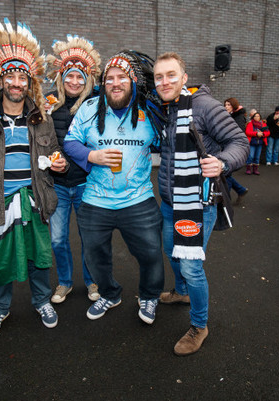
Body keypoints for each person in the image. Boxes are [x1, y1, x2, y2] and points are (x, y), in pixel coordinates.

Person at [0, 16, 67, 338]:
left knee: (39, 256)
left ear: (29, 82)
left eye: (21, 77)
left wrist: (60, 165)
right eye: (10, 76)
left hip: (33, 196)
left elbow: (55, 154)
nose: (16, 83)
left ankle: (42, 301)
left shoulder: (41, 118)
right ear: (1, 80)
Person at [153, 52, 248, 356]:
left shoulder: (204, 106)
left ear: (184, 78)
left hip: (196, 203)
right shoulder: (166, 109)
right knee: (172, 252)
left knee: (191, 267)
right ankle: (181, 293)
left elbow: (240, 143)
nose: (164, 81)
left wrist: (221, 162)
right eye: (159, 77)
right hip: (170, 201)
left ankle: (199, 325)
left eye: (171, 75)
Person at [64, 50, 166, 325]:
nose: (115, 83)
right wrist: (90, 156)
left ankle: (149, 296)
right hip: (96, 200)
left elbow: (169, 141)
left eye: (122, 77)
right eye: (109, 78)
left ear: (133, 81)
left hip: (139, 199)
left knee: (151, 254)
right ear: (102, 83)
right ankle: (110, 293)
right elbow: (70, 142)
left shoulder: (149, 111)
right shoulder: (89, 108)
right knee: (95, 256)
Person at [44, 35, 102, 304]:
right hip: (57, 184)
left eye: (80, 77)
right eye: (70, 76)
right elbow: (39, 138)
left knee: (89, 237)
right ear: (61, 77)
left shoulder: (96, 104)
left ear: (87, 79)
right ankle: (65, 282)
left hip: (87, 183)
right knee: (58, 239)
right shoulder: (48, 103)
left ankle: (92, 282)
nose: (75, 82)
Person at [224, 98, 248, 204]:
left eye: (229, 105)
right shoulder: (228, 116)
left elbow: (239, 133)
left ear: (233, 106)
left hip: (232, 148)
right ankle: (240, 190)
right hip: (225, 146)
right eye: (225, 104)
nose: (226, 107)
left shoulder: (238, 117)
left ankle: (226, 199)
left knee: (226, 173)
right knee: (225, 173)